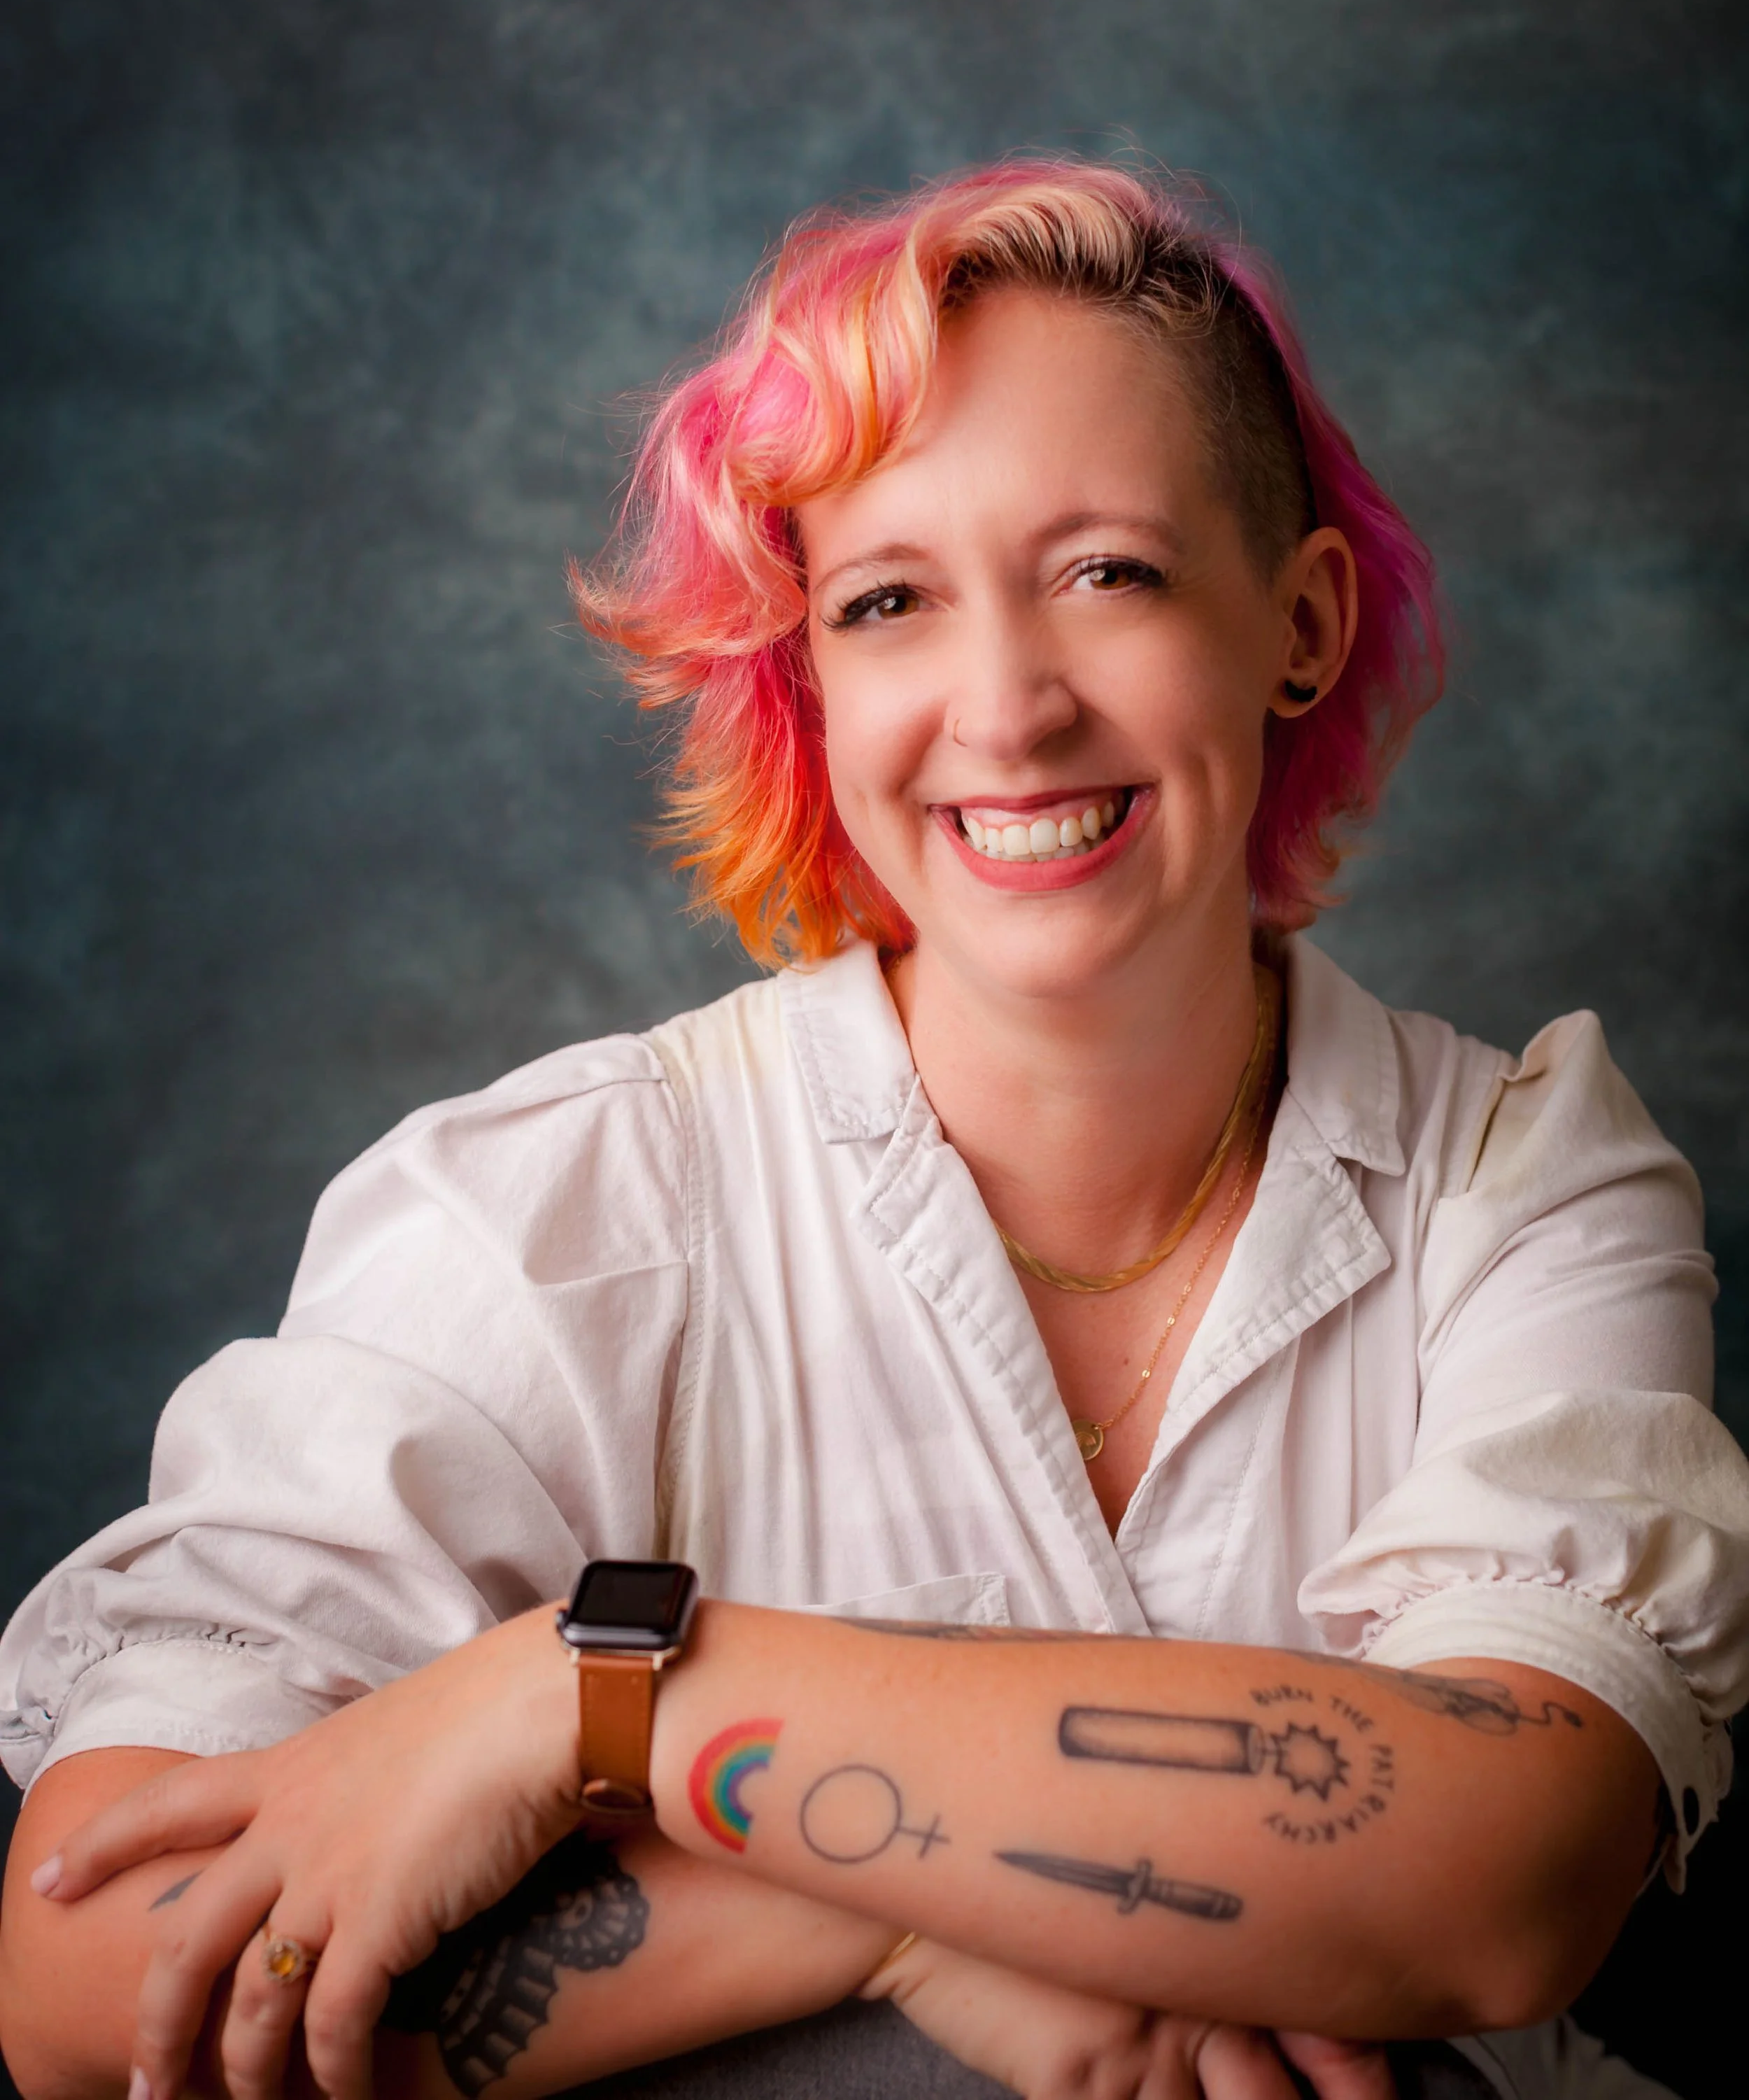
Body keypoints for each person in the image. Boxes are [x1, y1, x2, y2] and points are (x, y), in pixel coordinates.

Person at [1, 162, 1746, 2100]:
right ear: (806, 680)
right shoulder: (556, 1210)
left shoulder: (1524, 1179)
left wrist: (592, 1701)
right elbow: (87, 1976)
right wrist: (882, 1907)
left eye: (1107, 569)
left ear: (1301, 622)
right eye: (889, 600)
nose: (1002, 706)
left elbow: (1496, 1885)